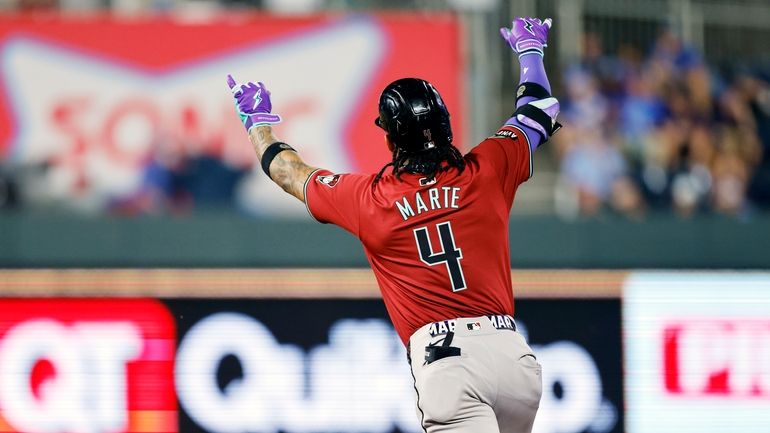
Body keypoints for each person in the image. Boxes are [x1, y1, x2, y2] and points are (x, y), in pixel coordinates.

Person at [227, 17, 560, 433]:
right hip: (513, 358)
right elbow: (538, 111)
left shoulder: (372, 199)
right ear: (445, 124)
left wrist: (257, 122)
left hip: (447, 359)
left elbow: (287, 171)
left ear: (390, 139)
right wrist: (531, 52)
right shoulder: (487, 169)